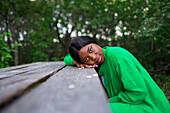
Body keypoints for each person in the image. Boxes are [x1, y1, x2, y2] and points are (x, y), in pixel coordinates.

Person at [64, 36, 170, 113]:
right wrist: (77, 62)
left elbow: (138, 92)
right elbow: (67, 58)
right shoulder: (100, 59)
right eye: (87, 59)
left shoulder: (118, 57)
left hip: (149, 106)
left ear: (95, 43)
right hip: (131, 103)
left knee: (96, 108)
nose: (94, 57)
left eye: (91, 50)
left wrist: (109, 101)